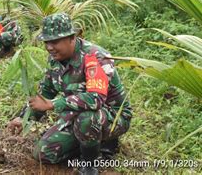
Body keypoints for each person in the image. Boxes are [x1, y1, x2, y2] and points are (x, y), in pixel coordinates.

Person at [8, 13, 132, 175]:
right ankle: (90, 144)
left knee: (87, 117)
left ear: (72, 38)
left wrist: (53, 104)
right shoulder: (55, 60)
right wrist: (25, 117)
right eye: (47, 42)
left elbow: (96, 100)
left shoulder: (95, 57)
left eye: (55, 42)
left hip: (112, 117)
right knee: (44, 153)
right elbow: (45, 92)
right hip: (76, 116)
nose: (49, 47)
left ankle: (91, 163)